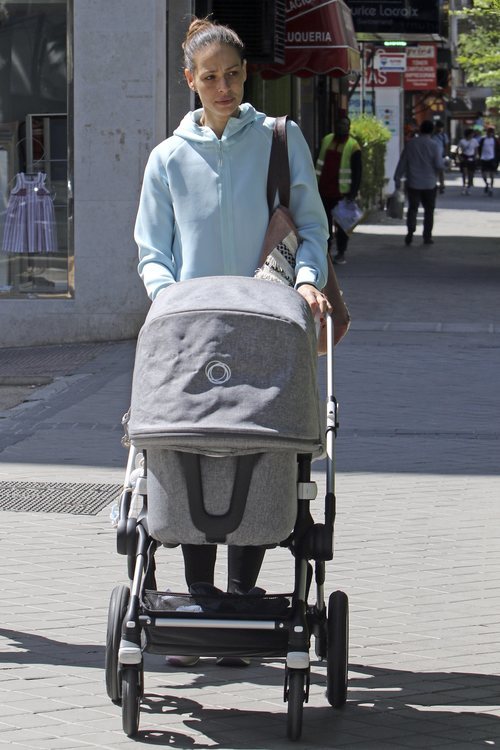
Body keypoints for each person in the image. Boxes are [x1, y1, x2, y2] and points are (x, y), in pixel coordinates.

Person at [134, 17, 330, 668]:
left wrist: (306, 283)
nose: (222, 86)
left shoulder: (279, 138)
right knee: (193, 444)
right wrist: (168, 297)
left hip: (267, 324)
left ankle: (242, 595)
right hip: (192, 330)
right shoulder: (167, 159)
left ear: (248, 75)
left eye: (233, 74)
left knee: (259, 439)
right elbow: (151, 251)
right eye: (209, 76)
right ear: (189, 80)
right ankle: (199, 596)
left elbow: (311, 225)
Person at [315, 117, 362, 265]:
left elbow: (357, 172)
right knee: (324, 225)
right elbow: (317, 161)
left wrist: (353, 193)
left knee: (342, 226)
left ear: (349, 127)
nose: (341, 127)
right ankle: (326, 252)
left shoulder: (353, 146)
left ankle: (341, 252)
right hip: (323, 191)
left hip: (343, 193)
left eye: (345, 125)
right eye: (339, 124)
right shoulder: (326, 140)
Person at [394, 119, 444, 246]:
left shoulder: (411, 144)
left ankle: (410, 231)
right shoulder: (434, 145)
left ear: (420, 129)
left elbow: (402, 163)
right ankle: (427, 236)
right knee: (429, 210)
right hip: (429, 183)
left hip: (413, 183)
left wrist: (397, 178)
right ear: (432, 130)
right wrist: (441, 179)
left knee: (412, 208)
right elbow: (439, 165)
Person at [457, 128, 480, 195]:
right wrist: (459, 157)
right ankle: (464, 186)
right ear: (469, 134)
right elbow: (458, 149)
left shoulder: (474, 141)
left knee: (471, 174)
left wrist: (476, 157)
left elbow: (476, 150)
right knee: (464, 173)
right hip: (464, 157)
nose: (473, 134)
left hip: (471, 157)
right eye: (472, 133)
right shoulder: (462, 141)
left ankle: (469, 187)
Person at [478, 127, 500, 196]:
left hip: (492, 158)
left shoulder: (495, 140)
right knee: (483, 174)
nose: (490, 133)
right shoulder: (483, 139)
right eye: (489, 132)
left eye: (492, 132)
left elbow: (498, 150)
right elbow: (479, 148)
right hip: (484, 158)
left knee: (492, 175)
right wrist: (479, 156)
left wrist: (497, 160)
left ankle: (491, 188)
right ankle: (487, 184)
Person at [431, 120, 449, 194]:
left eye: (441, 128)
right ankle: (434, 184)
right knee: (434, 172)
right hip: (432, 156)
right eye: (438, 127)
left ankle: (442, 185)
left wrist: (446, 154)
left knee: (441, 171)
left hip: (441, 156)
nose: (440, 129)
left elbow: (446, 145)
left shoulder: (444, 136)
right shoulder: (432, 135)